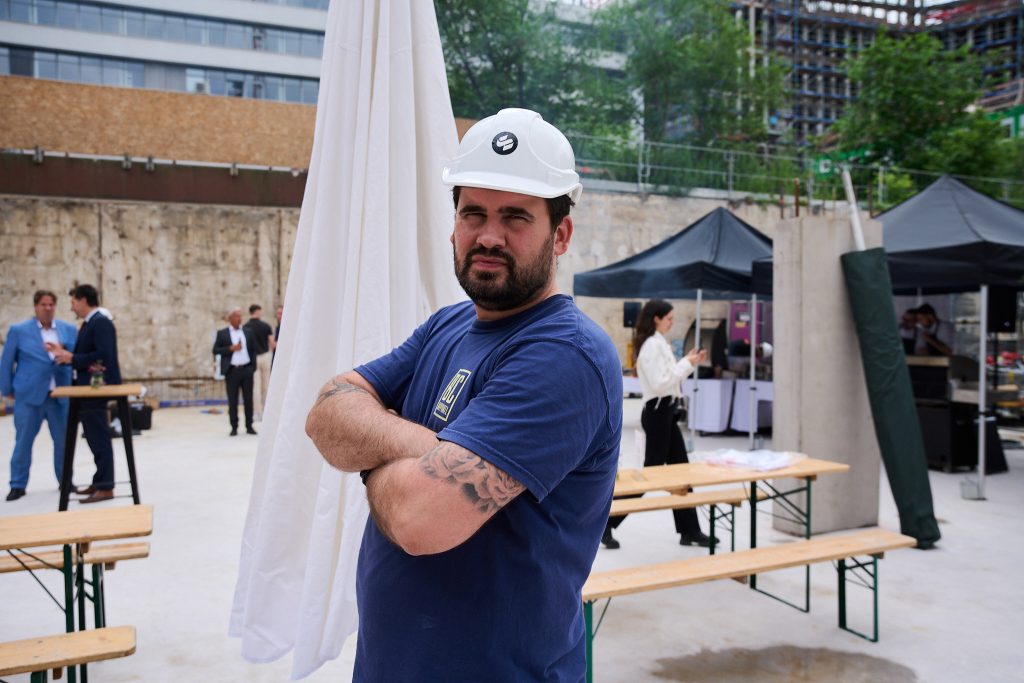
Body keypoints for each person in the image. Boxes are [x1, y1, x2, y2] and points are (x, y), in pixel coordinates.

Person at [305, 108, 622, 682]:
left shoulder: (565, 355)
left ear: (562, 234)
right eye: (472, 212)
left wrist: (370, 459)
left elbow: (419, 518)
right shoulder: (447, 325)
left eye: (516, 217)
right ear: (453, 223)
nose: (489, 235)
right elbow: (326, 413)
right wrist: (424, 445)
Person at [603, 299, 710, 550]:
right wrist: (687, 364)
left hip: (665, 412)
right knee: (651, 475)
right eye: (669, 319)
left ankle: (689, 530)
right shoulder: (652, 345)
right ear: (656, 319)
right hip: (658, 412)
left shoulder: (658, 343)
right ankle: (607, 522)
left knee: (680, 472)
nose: (673, 323)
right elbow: (662, 383)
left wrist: (686, 363)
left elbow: (668, 380)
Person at [0, 290, 78, 501]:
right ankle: (17, 484)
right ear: (35, 307)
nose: (48, 308)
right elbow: (7, 361)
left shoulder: (68, 330)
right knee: (23, 441)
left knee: (63, 441)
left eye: (51, 304)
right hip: (29, 396)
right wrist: (6, 390)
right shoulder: (19, 330)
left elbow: (77, 356)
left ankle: (65, 481)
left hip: (59, 394)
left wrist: (64, 352)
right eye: (44, 304)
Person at [50, 284, 121, 504]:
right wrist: (67, 355)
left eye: (73, 302)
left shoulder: (100, 323)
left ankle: (106, 485)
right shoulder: (91, 323)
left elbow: (103, 354)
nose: (72, 308)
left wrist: (73, 359)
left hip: (95, 388)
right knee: (92, 437)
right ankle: (99, 481)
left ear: (83, 300)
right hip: (87, 388)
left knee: (99, 437)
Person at [213, 308, 257, 436]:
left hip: (247, 369)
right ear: (230, 318)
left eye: (240, 316)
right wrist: (230, 348)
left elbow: (253, 350)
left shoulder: (248, 332)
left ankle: (249, 425)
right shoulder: (222, 333)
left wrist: (252, 367)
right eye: (237, 316)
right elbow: (215, 350)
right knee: (233, 400)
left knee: (248, 399)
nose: (239, 319)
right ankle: (234, 427)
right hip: (232, 371)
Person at [243, 304, 275, 419]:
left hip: (253, 358)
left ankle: (257, 412)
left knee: (255, 386)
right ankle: (267, 410)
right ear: (257, 311)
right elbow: (272, 343)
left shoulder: (245, 327)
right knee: (266, 385)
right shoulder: (265, 326)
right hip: (265, 356)